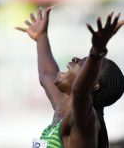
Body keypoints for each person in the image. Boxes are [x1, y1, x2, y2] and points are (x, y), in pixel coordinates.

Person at [16, 8, 124, 148]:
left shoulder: (85, 121)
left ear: (94, 84)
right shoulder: (63, 108)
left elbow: (80, 91)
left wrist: (96, 52)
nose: (76, 58)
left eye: (84, 63)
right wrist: (41, 36)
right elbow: (46, 74)